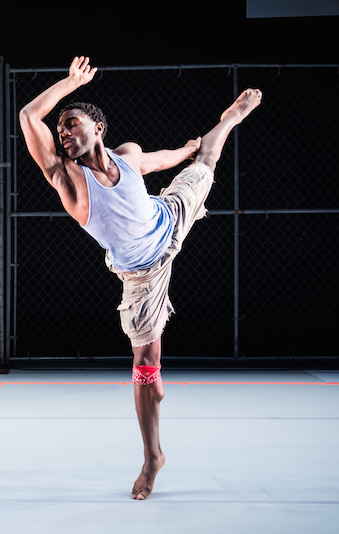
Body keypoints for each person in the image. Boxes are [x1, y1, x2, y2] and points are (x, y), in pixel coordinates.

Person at [19, 56, 262, 499]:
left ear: (98, 129)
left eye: (72, 124)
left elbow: (158, 160)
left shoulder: (126, 156)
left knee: (206, 158)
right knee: (146, 368)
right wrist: (70, 85)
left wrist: (186, 152)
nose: (64, 132)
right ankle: (153, 457)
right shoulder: (66, 178)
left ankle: (230, 118)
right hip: (142, 274)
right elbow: (28, 116)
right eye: (61, 130)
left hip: (169, 218)